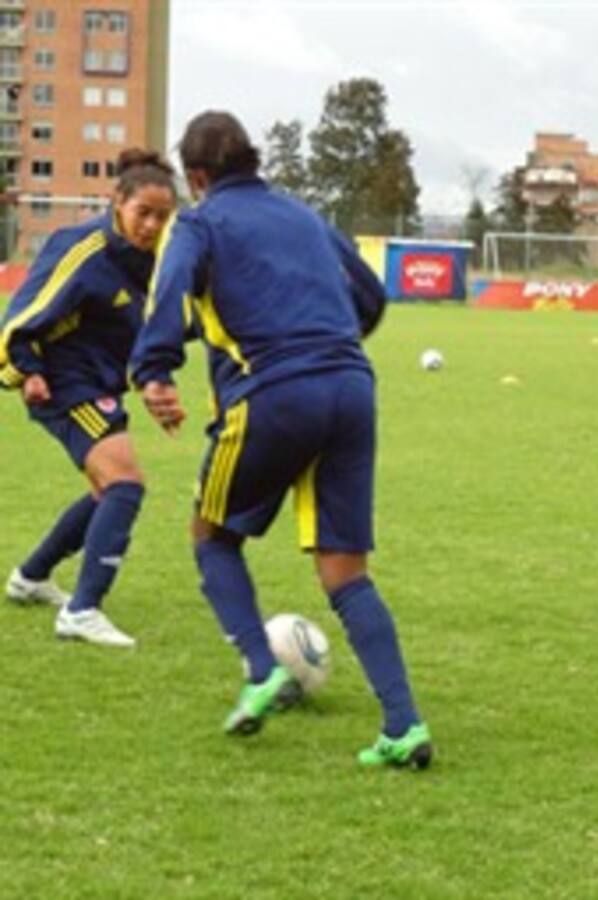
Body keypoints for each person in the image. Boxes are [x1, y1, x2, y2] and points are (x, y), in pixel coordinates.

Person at [129, 111, 431, 769]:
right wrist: (323, 337)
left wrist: (153, 371)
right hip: (352, 386)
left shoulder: (200, 222)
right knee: (345, 570)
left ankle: (262, 669)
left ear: (197, 177)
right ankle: (404, 726)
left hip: (273, 392)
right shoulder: (303, 214)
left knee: (212, 536)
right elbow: (370, 295)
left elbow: (169, 290)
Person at [0, 149, 176, 646]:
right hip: (60, 380)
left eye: (162, 216)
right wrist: (26, 370)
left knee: (106, 491)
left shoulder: (153, 262)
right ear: (117, 202)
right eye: (143, 212)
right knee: (125, 484)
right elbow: (21, 315)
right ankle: (82, 610)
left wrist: (157, 381)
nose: (151, 225)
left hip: (96, 382)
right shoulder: (84, 249)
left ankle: (31, 577)